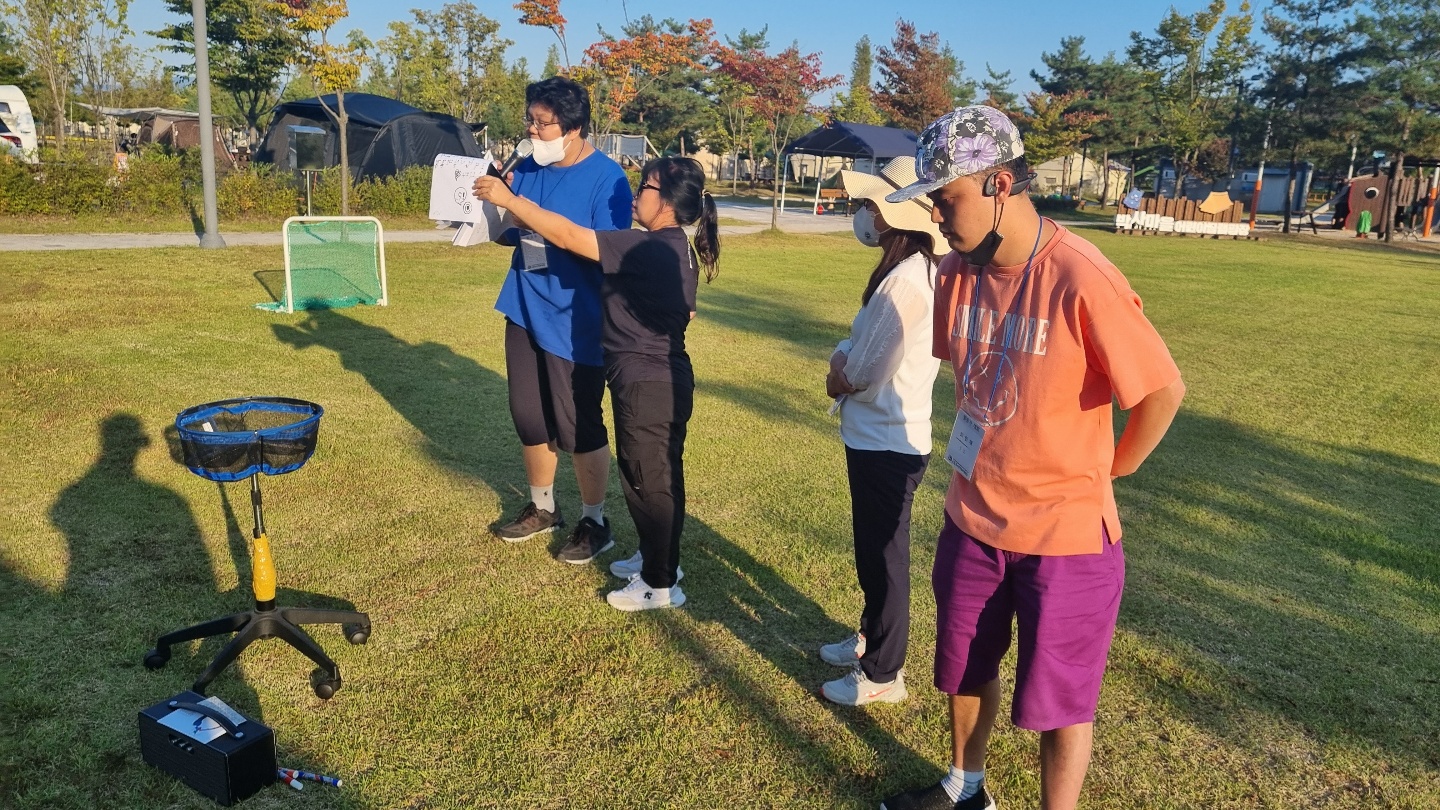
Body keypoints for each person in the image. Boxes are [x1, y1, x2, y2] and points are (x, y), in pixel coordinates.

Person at [879, 106, 1186, 810]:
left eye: (946, 198)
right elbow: (975, 379)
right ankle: (966, 788)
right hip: (972, 521)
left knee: (1059, 702)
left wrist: (1114, 469)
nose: (936, 216)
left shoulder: (1082, 276)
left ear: (1000, 184)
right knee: (963, 668)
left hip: (1065, 538)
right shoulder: (956, 273)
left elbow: (1162, 391)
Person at [475, 156, 719, 611]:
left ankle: (659, 584)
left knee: (650, 483)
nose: (635, 195)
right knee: (653, 476)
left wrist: (511, 201)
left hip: (648, 381)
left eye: (644, 188)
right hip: (656, 378)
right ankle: (658, 558)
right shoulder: (674, 246)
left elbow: (572, 237)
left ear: (666, 202)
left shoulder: (647, 247)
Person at [817, 156, 949, 707]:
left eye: (872, 204)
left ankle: (883, 673)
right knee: (874, 551)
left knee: (885, 558)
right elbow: (861, 349)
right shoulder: (909, 274)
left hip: (888, 441)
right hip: (881, 437)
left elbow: (865, 370)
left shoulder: (906, 282)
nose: (864, 214)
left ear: (898, 215)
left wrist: (837, 373)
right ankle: (871, 639)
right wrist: (845, 358)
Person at [488, 77, 634, 565]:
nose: (532, 130)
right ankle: (543, 507)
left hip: (577, 316)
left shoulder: (608, 179)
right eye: (530, 119)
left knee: (578, 425)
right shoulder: (529, 166)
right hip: (525, 303)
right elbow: (512, 231)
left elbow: (599, 248)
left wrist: (520, 208)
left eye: (543, 123)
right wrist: (485, 210)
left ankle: (595, 521)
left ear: (574, 128)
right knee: (528, 414)